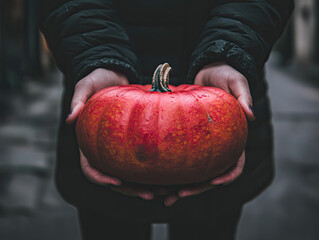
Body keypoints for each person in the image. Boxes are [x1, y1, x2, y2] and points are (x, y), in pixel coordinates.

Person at [40, 0, 294, 239]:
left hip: (216, 96)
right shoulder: (106, 100)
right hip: (107, 92)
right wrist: (93, 56)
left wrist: (230, 52)